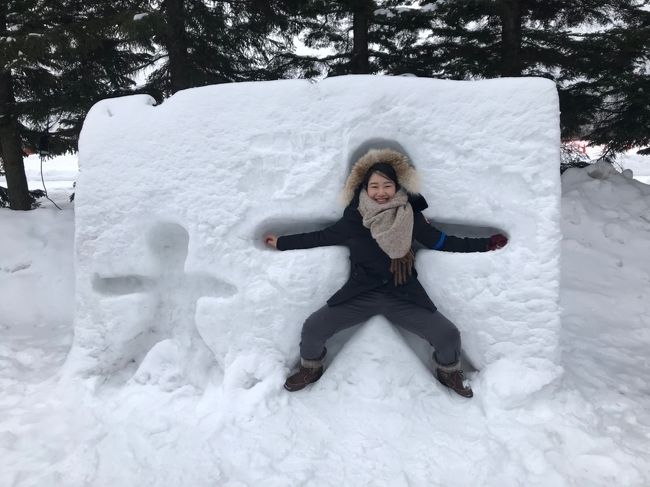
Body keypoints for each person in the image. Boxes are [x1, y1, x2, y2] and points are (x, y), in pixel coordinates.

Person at [264, 149, 507, 398]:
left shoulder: (410, 216)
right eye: (374, 186)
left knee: (447, 334)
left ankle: (449, 372)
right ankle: (310, 369)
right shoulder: (354, 218)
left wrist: (485, 244)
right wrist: (282, 242)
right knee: (313, 328)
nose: (381, 192)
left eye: (387, 186)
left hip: (402, 293)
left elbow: (443, 242)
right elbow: (320, 237)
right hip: (360, 294)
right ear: (365, 188)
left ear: (397, 187)